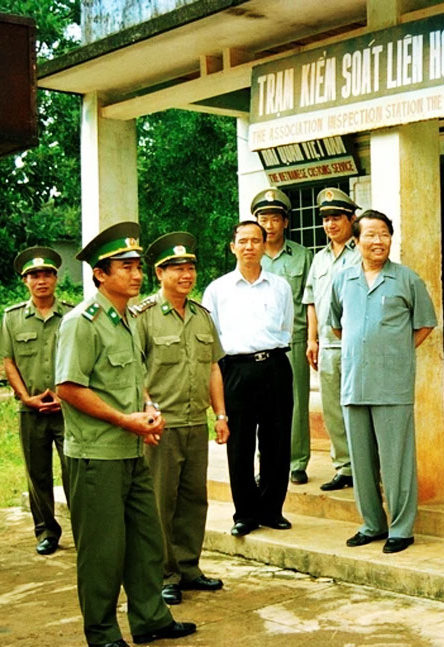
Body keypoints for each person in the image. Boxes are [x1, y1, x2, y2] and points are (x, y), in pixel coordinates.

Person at [55, 222, 195, 647]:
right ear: (100, 274)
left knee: (146, 541)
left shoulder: (128, 318)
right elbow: (68, 388)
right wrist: (123, 420)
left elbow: (133, 380)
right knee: (102, 550)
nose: (136, 274)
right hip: (96, 456)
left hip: (132, 450)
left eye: (137, 266)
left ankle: (150, 619)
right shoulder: (83, 322)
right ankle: (101, 633)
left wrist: (148, 410)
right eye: (126, 267)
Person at [329, 210, 436, 554]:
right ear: (356, 240)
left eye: (384, 234)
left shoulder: (407, 280)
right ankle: (372, 524)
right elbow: (337, 326)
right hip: (354, 382)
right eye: (371, 235)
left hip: (392, 383)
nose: (378, 241)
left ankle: (401, 529)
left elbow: (425, 324)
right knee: (361, 462)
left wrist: (394, 351)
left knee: (396, 460)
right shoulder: (343, 280)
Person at [133, 232, 229, 606]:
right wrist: (146, 409)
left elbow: (213, 368)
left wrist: (220, 414)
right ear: (160, 273)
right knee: (161, 502)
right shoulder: (143, 317)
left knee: (193, 500)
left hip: (194, 423)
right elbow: (134, 371)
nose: (186, 275)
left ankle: (189, 567)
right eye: (177, 269)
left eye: (190, 268)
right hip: (161, 426)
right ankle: (164, 574)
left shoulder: (202, 317)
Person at [202, 219, 294, 536]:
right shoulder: (217, 290)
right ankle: (245, 513)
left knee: (277, 441)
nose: (249, 247)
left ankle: (271, 509)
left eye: (256, 240)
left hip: (275, 366)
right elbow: (211, 336)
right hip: (236, 369)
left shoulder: (280, 287)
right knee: (240, 443)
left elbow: (286, 327)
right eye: (243, 241)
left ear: (264, 245)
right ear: (233, 247)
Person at [0, 247, 73, 556]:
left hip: (68, 409)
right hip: (31, 410)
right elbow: (9, 361)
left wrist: (66, 396)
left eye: (47, 275)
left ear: (56, 278)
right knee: (37, 474)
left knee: (74, 470)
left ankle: (85, 528)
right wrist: (27, 397)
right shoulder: (12, 318)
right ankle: (46, 531)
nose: (41, 281)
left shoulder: (72, 315)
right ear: (25, 281)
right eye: (34, 276)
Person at [254, 188, 313, 485]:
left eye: (275, 218)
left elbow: (310, 300)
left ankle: (297, 462)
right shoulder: (251, 256)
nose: (269, 225)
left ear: (285, 222)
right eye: (263, 219)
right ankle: (265, 462)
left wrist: (312, 338)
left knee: (297, 403)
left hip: (294, 339)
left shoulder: (303, 256)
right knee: (262, 404)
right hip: (259, 342)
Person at [304, 188, 360, 492]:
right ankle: (345, 468)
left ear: (351, 219)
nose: (330, 224)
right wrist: (312, 340)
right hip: (327, 345)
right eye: (326, 219)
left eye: (336, 217)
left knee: (358, 408)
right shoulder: (319, 259)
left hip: (356, 345)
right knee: (333, 411)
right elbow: (311, 301)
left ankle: (366, 467)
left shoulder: (361, 252)